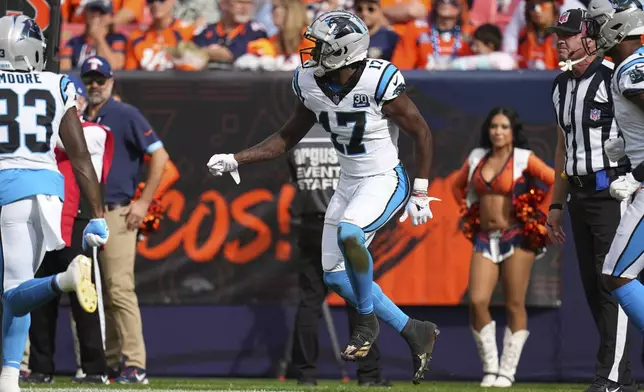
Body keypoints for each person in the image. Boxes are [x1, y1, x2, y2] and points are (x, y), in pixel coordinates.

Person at [207, 10, 440, 384]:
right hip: (348, 183)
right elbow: (287, 137)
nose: (310, 50)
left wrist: (422, 190)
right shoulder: (310, 83)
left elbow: (422, 133)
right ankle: (414, 330)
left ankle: (366, 323)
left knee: (350, 234)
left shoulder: (378, 80)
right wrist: (237, 158)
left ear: (343, 52)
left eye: (320, 45)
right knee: (335, 278)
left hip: (384, 179)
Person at [0, 14, 109, 392]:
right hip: (44, 190)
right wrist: (97, 216)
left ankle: (63, 279)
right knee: (15, 290)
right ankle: (9, 379)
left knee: (12, 292)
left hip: (6, 186)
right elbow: (80, 156)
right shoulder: (55, 83)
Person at [547, 7, 636, 392]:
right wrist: (554, 203)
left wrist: (633, 179)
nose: (559, 41)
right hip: (579, 193)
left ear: (590, 38)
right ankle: (624, 376)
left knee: (611, 285)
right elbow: (563, 147)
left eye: (567, 34)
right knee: (592, 287)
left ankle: (610, 376)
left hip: (613, 192)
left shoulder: (612, 78)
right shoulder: (560, 85)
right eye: (557, 34)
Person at [81, 55, 170, 384]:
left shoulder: (124, 113)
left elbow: (159, 155)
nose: (94, 84)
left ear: (112, 81)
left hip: (117, 211)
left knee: (119, 289)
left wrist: (143, 202)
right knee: (91, 291)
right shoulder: (78, 115)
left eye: (99, 79)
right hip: (86, 214)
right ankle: (106, 362)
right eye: (89, 78)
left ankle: (136, 364)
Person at [452, 108, 555, 388]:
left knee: (514, 303)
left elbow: (555, 181)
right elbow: (456, 186)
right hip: (485, 238)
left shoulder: (523, 158)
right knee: (477, 301)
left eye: (504, 126)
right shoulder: (477, 157)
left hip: (518, 236)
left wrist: (540, 218)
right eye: (494, 126)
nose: (498, 131)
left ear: (513, 131)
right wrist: (467, 209)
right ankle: (491, 367)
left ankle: (507, 371)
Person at [21, 76, 114, 385]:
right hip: (44, 219)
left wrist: (55, 117)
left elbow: (71, 144)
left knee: (84, 299)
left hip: (77, 223)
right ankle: (40, 367)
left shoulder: (96, 131)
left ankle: (94, 368)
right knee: (41, 299)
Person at [286, 127, 390, 387]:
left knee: (310, 302)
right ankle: (368, 375)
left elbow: (296, 181)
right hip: (345, 225)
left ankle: (306, 375)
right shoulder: (347, 135)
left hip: (310, 224)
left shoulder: (298, 139)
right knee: (359, 299)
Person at [584, 0, 644, 377]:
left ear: (618, 26)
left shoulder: (631, 68)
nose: (593, 31)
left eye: (598, 24)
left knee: (617, 275)